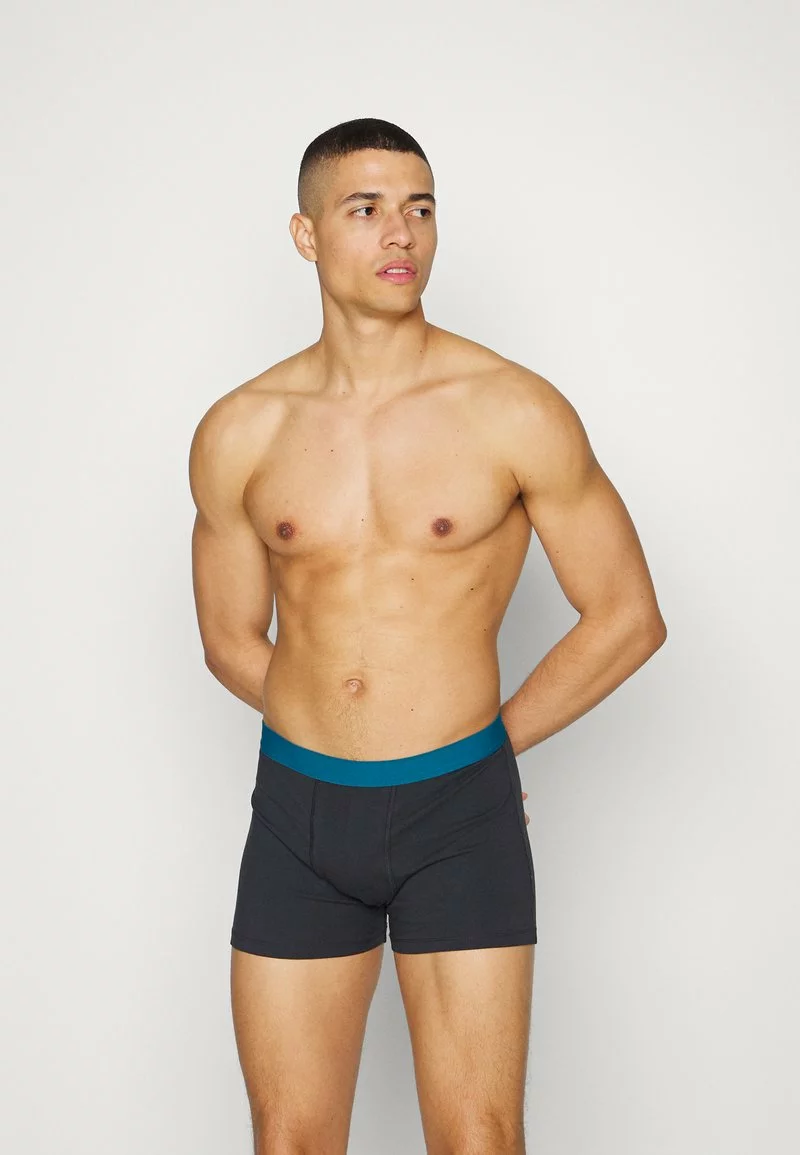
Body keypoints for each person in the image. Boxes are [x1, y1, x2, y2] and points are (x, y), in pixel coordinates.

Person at [188, 117, 667, 1155]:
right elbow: (227, 636)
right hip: (299, 814)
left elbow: (627, 614)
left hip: (459, 812)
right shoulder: (241, 428)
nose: (400, 232)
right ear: (306, 234)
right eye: (365, 209)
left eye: (420, 207)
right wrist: (330, 722)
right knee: (288, 1140)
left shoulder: (512, 409)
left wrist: (481, 750)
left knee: (477, 1137)